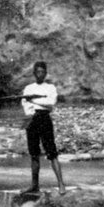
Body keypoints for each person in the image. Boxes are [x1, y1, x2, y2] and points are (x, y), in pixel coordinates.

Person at [22, 61, 66, 194]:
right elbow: (25, 104)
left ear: (46, 74)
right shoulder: (28, 88)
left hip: (45, 118)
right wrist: (32, 109)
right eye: (38, 72)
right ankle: (34, 185)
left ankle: (61, 184)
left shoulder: (50, 88)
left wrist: (34, 101)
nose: (40, 74)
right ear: (34, 73)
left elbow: (50, 104)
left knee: (51, 152)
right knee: (34, 153)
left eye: (42, 72)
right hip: (32, 119)